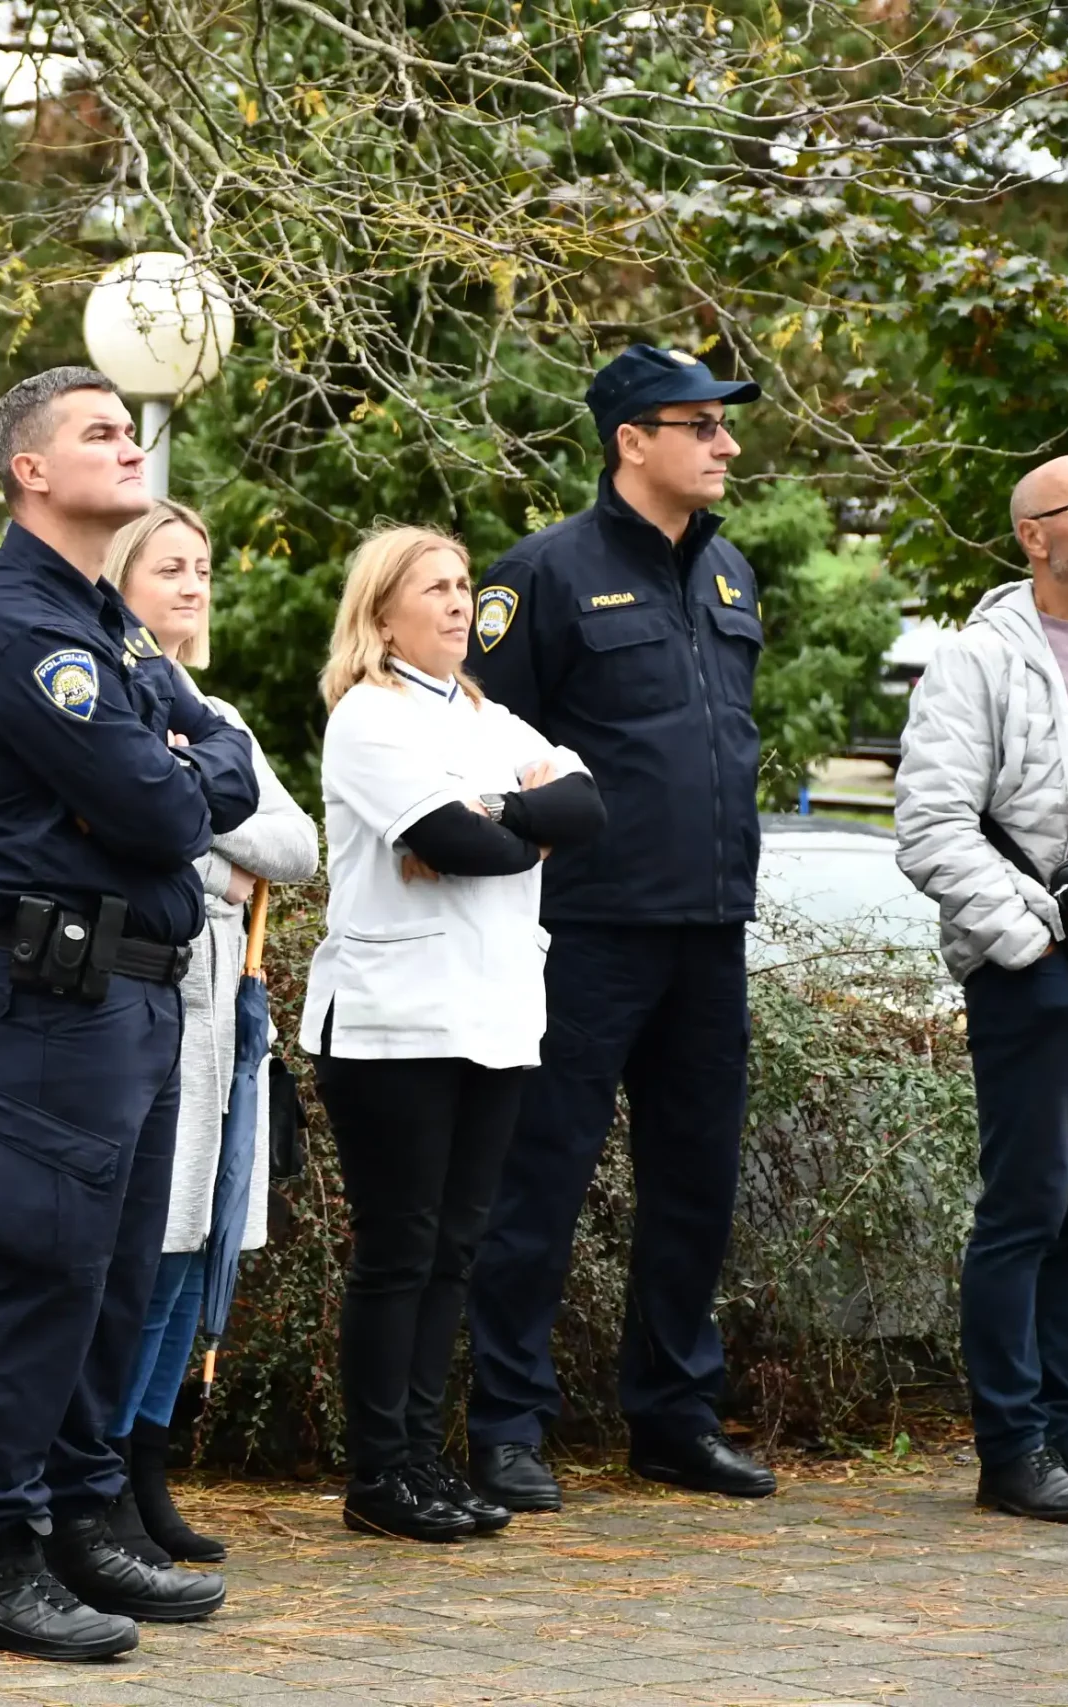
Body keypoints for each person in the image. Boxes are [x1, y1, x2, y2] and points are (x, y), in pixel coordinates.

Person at [0, 367, 259, 1662]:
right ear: (28, 469)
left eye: (132, 428)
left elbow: (214, 749)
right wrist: (174, 773)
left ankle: (75, 1514)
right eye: (100, 433)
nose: (130, 446)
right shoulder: (22, 627)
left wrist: (178, 766)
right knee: (37, 1271)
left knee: (110, 1274)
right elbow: (176, 808)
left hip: (133, 986)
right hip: (55, 993)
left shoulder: (97, 615)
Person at [459, 344, 776, 1512]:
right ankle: (507, 1425)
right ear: (629, 439)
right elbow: (490, 752)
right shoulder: (540, 574)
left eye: (723, 426)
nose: (724, 444)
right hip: (583, 929)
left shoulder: (732, 574)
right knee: (539, 1181)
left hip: (707, 928)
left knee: (695, 1183)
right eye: (699, 425)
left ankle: (673, 1418)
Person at [305, 527, 604, 1543]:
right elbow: (456, 845)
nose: (457, 603)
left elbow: (588, 808)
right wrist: (515, 823)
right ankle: (378, 1474)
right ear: (381, 610)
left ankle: (424, 1461)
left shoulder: (484, 714)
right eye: (433, 587)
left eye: (463, 585)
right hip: (394, 1023)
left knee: (455, 1252)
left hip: (493, 1017)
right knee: (400, 1251)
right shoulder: (368, 719)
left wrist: (497, 814)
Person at [895, 454, 1068, 1522]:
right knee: (1025, 1207)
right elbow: (929, 824)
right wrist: (1028, 939)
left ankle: (1067, 1427)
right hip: (1037, 969)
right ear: (1034, 535)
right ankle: (1008, 1448)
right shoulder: (978, 660)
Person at [102, 501, 317, 1565]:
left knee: (201, 1250)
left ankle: (150, 1462)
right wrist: (213, 846)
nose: (190, 586)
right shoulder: (106, 700)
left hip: (218, 1022)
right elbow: (121, 831)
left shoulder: (215, 709)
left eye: (201, 567)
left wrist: (195, 817)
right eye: (168, 567)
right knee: (147, 1251)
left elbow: (297, 843)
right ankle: (104, 1476)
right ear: (119, 579)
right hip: (141, 1001)